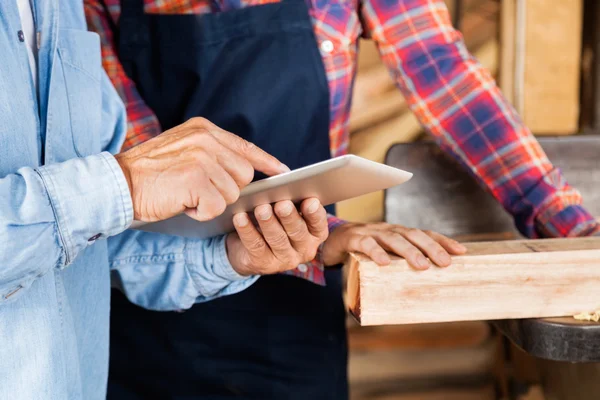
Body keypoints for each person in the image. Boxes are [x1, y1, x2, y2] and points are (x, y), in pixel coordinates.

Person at [84, 0, 600, 399]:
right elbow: (139, 164)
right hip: (141, 309)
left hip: (293, 324)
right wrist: (323, 234)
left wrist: (572, 227)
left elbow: (445, 77)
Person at [0, 1, 356, 399]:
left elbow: (94, 239)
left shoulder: (60, 9)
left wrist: (227, 254)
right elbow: (113, 193)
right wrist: (125, 183)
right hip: (143, 348)